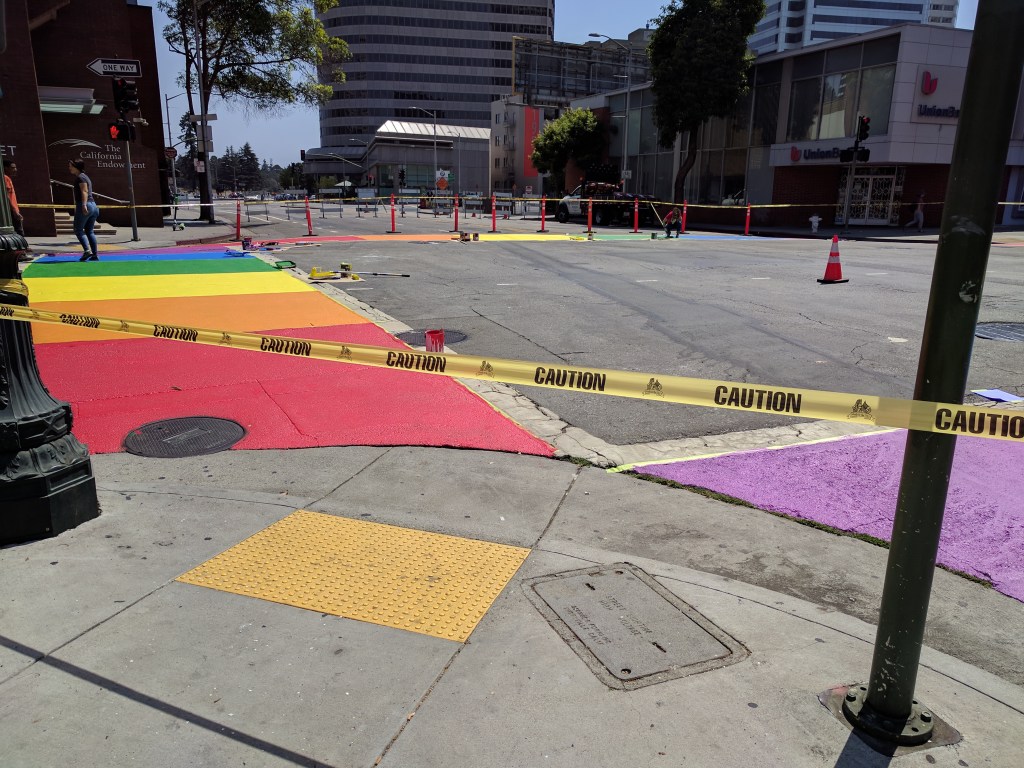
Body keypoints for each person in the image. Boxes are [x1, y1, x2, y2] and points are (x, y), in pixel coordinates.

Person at [69, 159, 100, 260]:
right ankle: (95, 254)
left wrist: (83, 205)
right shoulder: (86, 177)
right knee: (89, 231)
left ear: (76, 167)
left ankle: (87, 251)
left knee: (78, 229)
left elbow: (85, 191)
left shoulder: (80, 178)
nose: (69, 168)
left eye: (71, 166)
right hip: (94, 206)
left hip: (86, 205)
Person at [3, 159, 25, 237]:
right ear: (5, 168)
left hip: (11, 210)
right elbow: (6, 196)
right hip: (11, 211)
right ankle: (24, 247)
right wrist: (15, 210)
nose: (15, 170)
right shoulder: (5, 178)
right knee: (19, 231)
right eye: (12, 167)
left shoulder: (7, 178)